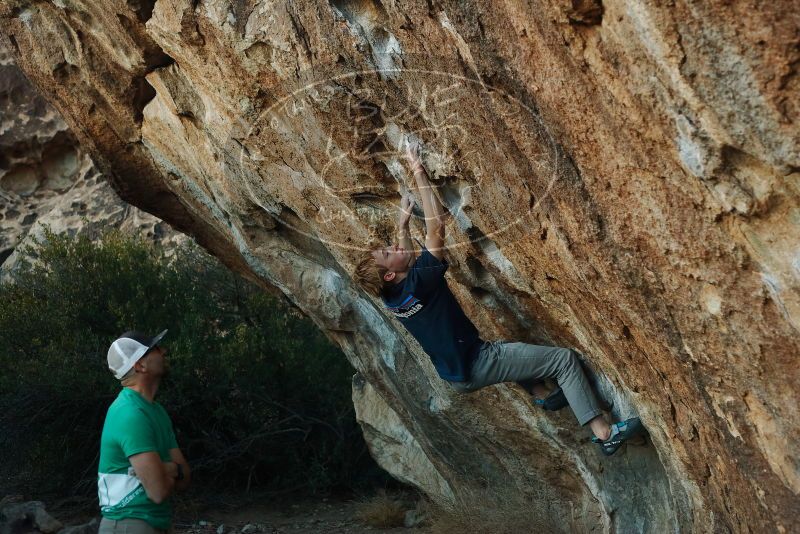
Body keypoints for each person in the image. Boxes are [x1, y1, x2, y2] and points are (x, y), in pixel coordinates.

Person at [354, 140, 645, 456]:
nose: (395, 248)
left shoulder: (393, 297)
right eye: (388, 253)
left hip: (457, 372)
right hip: (478, 362)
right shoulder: (419, 282)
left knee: (511, 352)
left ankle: (542, 393)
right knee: (563, 360)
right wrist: (417, 169)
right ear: (388, 275)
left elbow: (405, 258)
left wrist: (402, 225)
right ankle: (605, 434)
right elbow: (436, 228)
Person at [98, 330, 191, 534]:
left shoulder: (156, 411)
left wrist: (166, 470)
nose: (163, 351)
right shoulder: (129, 414)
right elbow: (158, 491)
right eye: (155, 349)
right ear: (140, 365)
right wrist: (173, 469)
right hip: (128, 525)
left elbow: (185, 479)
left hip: (155, 523)